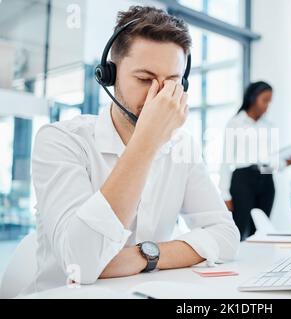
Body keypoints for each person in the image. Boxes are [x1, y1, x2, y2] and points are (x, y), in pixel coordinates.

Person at [27, 6, 239, 292]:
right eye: (144, 79)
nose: (160, 97)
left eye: (172, 83)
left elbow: (226, 235)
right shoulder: (61, 140)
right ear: (109, 76)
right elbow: (82, 264)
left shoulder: (182, 146)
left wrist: (145, 256)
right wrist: (147, 141)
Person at [219, 82, 286, 241]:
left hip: (265, 177)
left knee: (262, 229)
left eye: (270, 101)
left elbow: (272, 160)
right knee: (240, 227)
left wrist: (284, 163)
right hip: (243, 179)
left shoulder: (269, 125)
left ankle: (259, 264)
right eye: (265, 100)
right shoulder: (235, 123)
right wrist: (225, 194)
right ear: (253, 98)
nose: (267, 106)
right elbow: (226, 160)